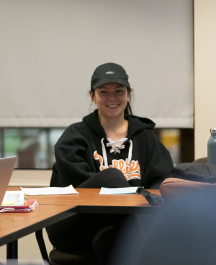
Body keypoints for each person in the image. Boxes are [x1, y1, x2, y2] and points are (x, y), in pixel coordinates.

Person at [47, 62, 174, 265]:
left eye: (119, 91)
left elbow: (163, 185)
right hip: (75, 222)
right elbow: (77, 187)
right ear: (92, 96)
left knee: (112, 238)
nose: (112, 97)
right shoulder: (75, 136)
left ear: (128, 94)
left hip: (120, 227)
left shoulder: (146, 138)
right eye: (103, 91)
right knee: (112, 177)